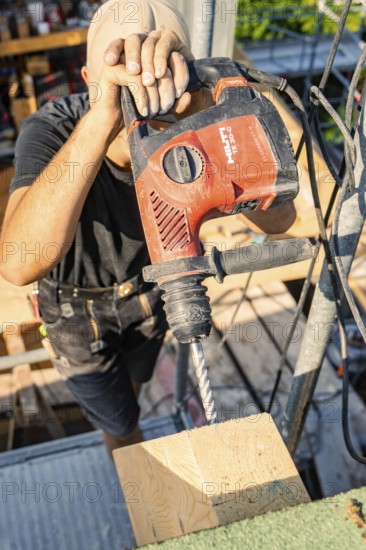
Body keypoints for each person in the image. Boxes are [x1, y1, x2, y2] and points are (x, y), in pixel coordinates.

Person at [0, 0, 296, 455]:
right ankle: (139, 483)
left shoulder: (190, 122)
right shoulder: (54, 127)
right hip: (76, 312)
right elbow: (18, 265)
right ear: (87, 81)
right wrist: (103, 117)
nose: (140, 93)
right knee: (118, 425)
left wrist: (203, 113)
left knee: (134, 392)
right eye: (121, 78)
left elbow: (279, 220)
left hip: (150, 290)